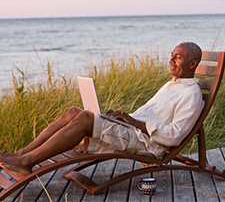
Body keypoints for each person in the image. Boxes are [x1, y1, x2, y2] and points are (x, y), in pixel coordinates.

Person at [0, 42, 204, 176]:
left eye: (177, 57)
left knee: (86, 119)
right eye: (172, 55)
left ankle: (27, 162)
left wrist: (133, 122)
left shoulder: (191, 94)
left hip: (148, 144)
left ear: (193, 63)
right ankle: (21, 154)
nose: (171, 60)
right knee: (74, 112)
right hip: (133, 131)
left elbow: (175, 136)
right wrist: (122, 119)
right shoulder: (172, 84)